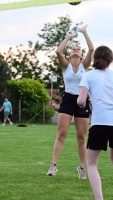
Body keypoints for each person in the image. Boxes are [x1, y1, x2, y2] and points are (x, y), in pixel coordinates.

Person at [77, 46, 113, 200]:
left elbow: (81, 101)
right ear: (111, 59)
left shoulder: (88, 76)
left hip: (100, 121)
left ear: (94, 58)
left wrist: (80, 103)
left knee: (92, 163)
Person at [47, 25, 94, 179]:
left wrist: (85, 33)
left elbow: (92, 49)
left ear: (81, 56)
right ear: (70, 54)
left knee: (81, 137)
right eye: (73, 49)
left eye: (78, 49)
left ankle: (82, 168)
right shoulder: (66, 66)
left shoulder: (84, 65)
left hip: (81, 100)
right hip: (67, 99)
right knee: (61, 134)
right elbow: (58, 51)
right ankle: (53, 165)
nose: (75, 49)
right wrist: (68, 38)